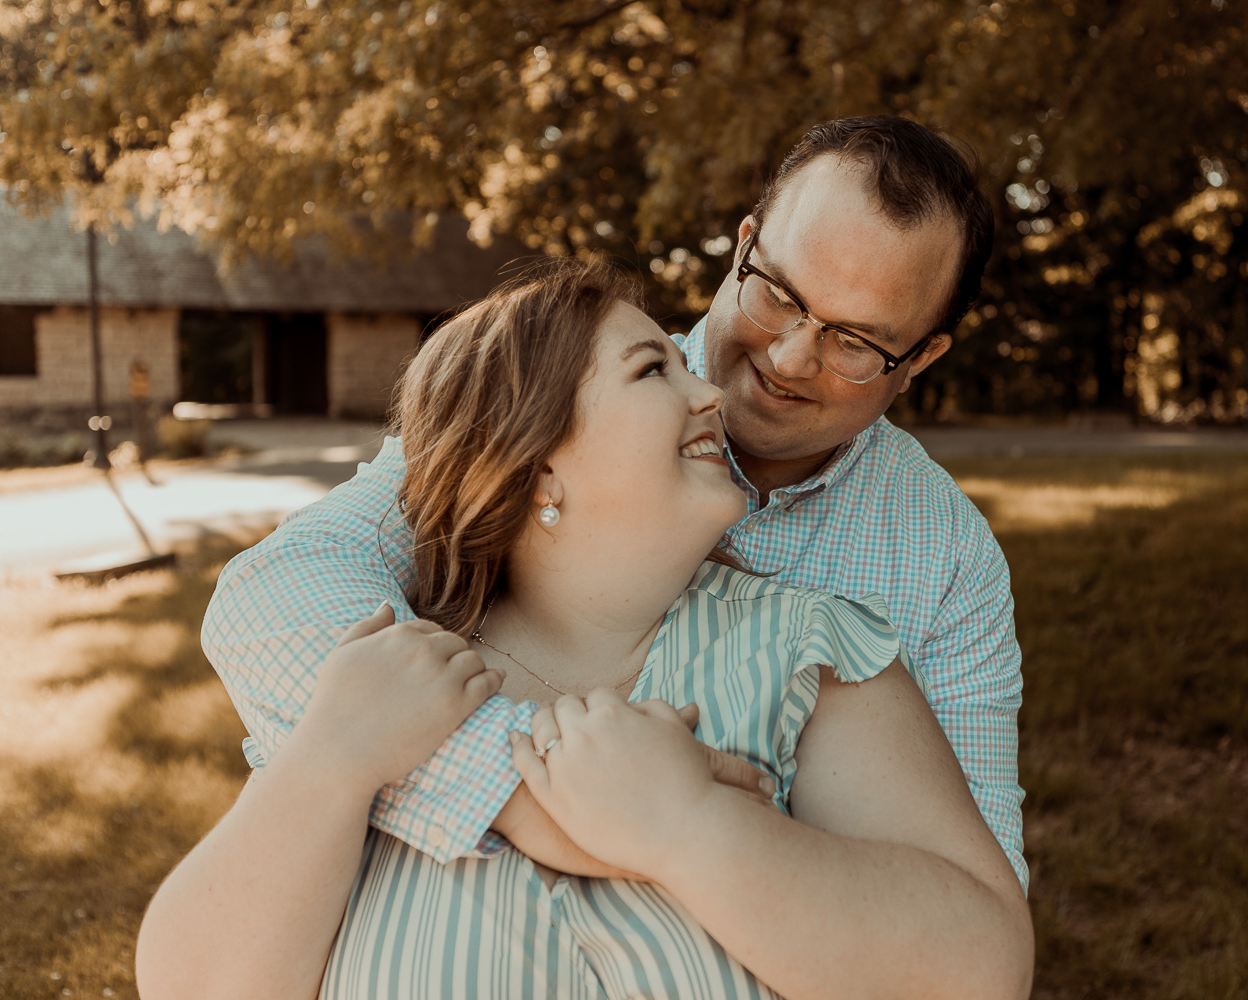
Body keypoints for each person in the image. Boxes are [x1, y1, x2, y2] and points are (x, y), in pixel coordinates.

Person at [136, 259, 1032, 999]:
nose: (710, 395)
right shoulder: (389, 675)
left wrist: (690, 827)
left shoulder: (810, 653)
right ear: (534, 467)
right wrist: (330, 764)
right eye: (653, 371)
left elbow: (982, 969)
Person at [197, 115, 1029, 897]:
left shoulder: (945, 559)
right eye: (777, 292)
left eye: (854, 341)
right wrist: (525, 791)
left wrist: (702, 840)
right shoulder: (564, 382)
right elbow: (275, 595)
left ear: (922, 358)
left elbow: (972, 890)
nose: (787, 356)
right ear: (745, 247)